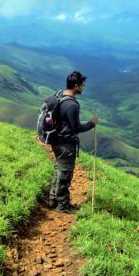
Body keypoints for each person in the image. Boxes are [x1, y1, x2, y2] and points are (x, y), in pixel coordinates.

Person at [48, 71, 98, 214]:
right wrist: (92, 123)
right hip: (65, 144)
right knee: (65, 174)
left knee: (59, 170)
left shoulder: (60, 96)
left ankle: (53, 199)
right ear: (76, 86)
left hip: (56, 140)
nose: (83, 87)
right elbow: (77, 128)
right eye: (82, 85)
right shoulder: (72, 105)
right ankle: (63, 205)